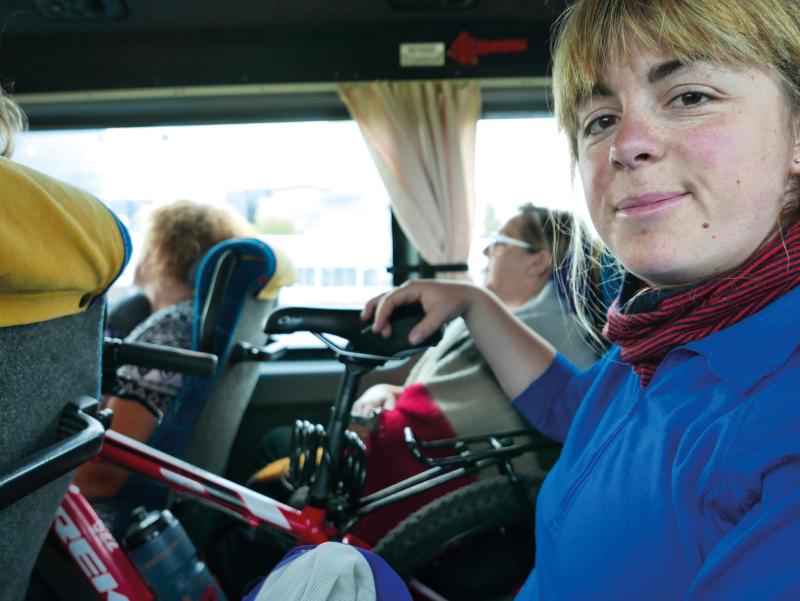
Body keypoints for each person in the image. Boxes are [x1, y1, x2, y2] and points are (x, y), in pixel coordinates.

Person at [363, 0, 800, 599]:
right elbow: (576, 411)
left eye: (689, 97)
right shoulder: (658, 335)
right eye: (599, 119)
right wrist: (474, 302)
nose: (628, 143)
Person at [247, 204, 599, 544]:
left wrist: (391, 424)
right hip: (404, 439)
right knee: (275, 450)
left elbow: (495, 416)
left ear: (538, 262)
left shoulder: (555, 332)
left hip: (435, 473)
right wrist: (391, 392)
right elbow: (445, 391)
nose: (488, 251)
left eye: (502, 241)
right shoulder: (489, 319)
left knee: (271, 468)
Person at [73, 199, 257, 501]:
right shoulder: (193, 326)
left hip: (98, 519)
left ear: (159, 254)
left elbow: (100, 476)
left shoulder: (168, 334)